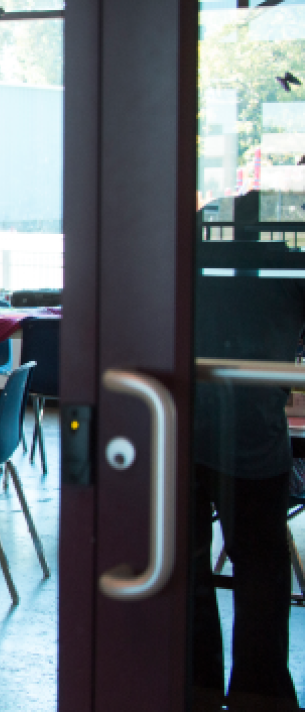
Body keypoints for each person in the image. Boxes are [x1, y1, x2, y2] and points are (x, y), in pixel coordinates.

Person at [190, 234, 300, 711]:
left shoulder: (186, 258)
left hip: (181, 426)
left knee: (185, 563)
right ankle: (263, 693)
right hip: (254, 428)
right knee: (261, 568)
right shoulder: (288, 273)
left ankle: (195, 684)